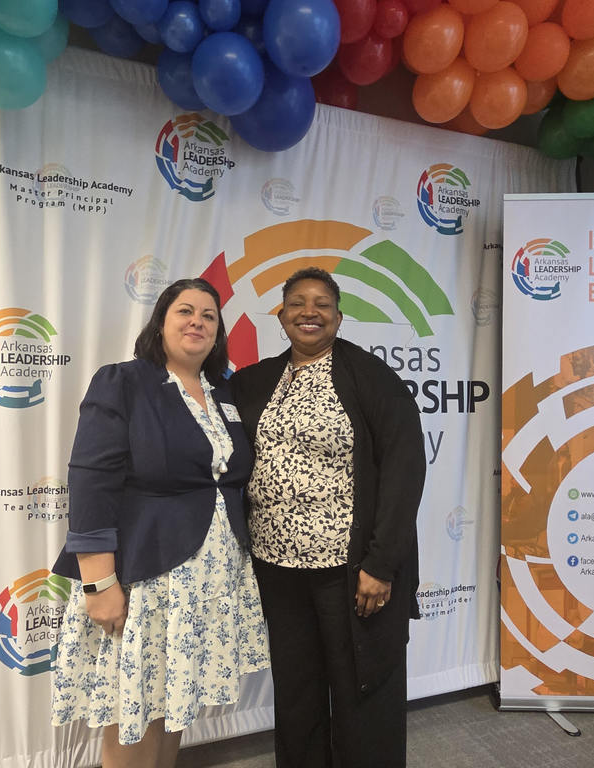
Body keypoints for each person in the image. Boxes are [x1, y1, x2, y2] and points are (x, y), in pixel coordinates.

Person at [50, 278, 270, 768]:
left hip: (208, 579)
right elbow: (91, 478)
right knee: (136, 706)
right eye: (185, 311)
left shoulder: (224, 394)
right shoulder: (125, 381)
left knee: (174, 704)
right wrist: (98, 580)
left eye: (209, 315)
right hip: (147, 574)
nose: (197, 322)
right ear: (161, 324)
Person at [230, 267, 426, 768]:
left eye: (321, 303)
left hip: (351, 571)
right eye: (297, 302)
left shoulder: (372, 378)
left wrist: (381, 564)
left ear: (339, 317)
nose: (309, 312)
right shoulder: (254, 383)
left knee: (363, 693)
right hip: (278, 568)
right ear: (281, 315)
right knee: (297, 694)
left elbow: (405, 471)